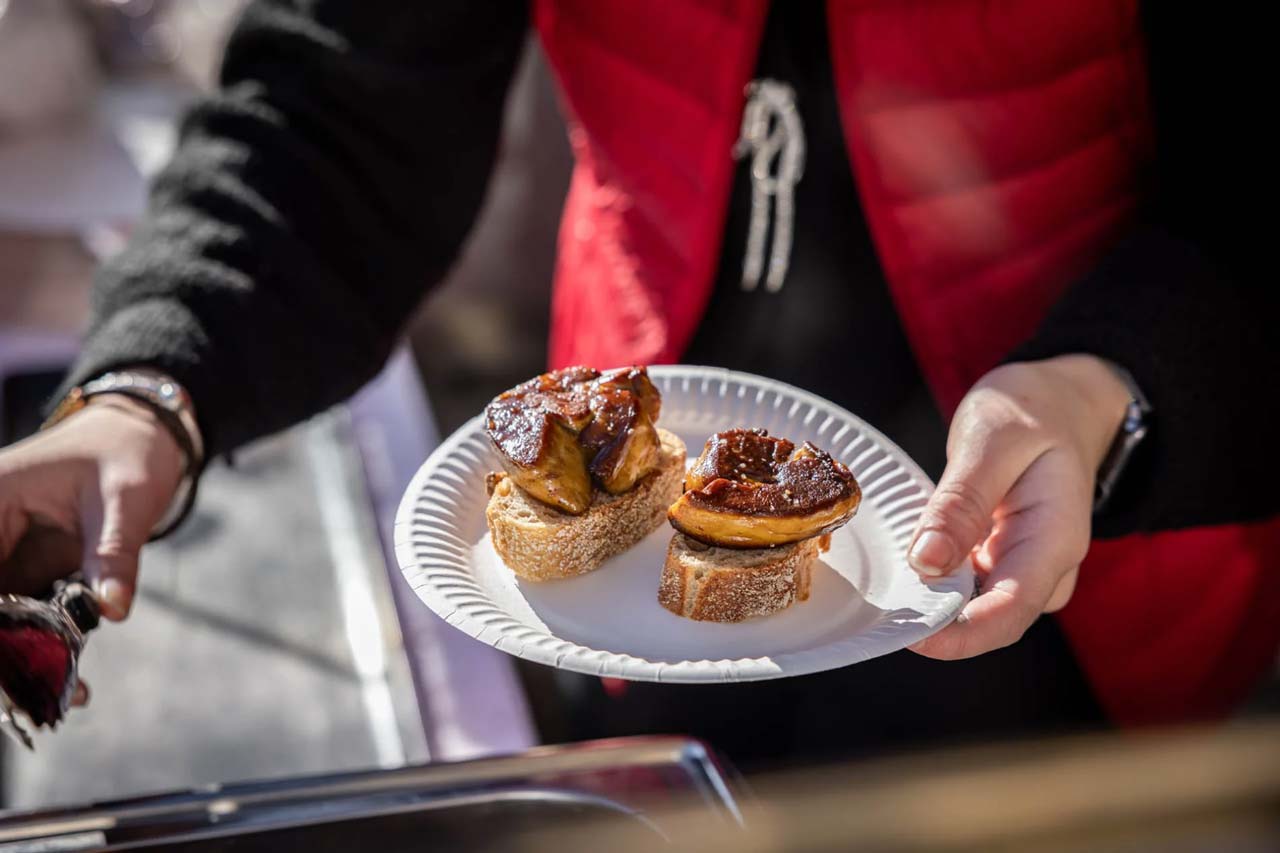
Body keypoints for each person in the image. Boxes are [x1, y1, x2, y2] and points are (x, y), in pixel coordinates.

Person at [0, 1, 1276, 765]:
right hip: (616, 578)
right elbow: (342, 109)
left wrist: (1113, 384)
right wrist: (152, 382)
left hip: (1087, 557)